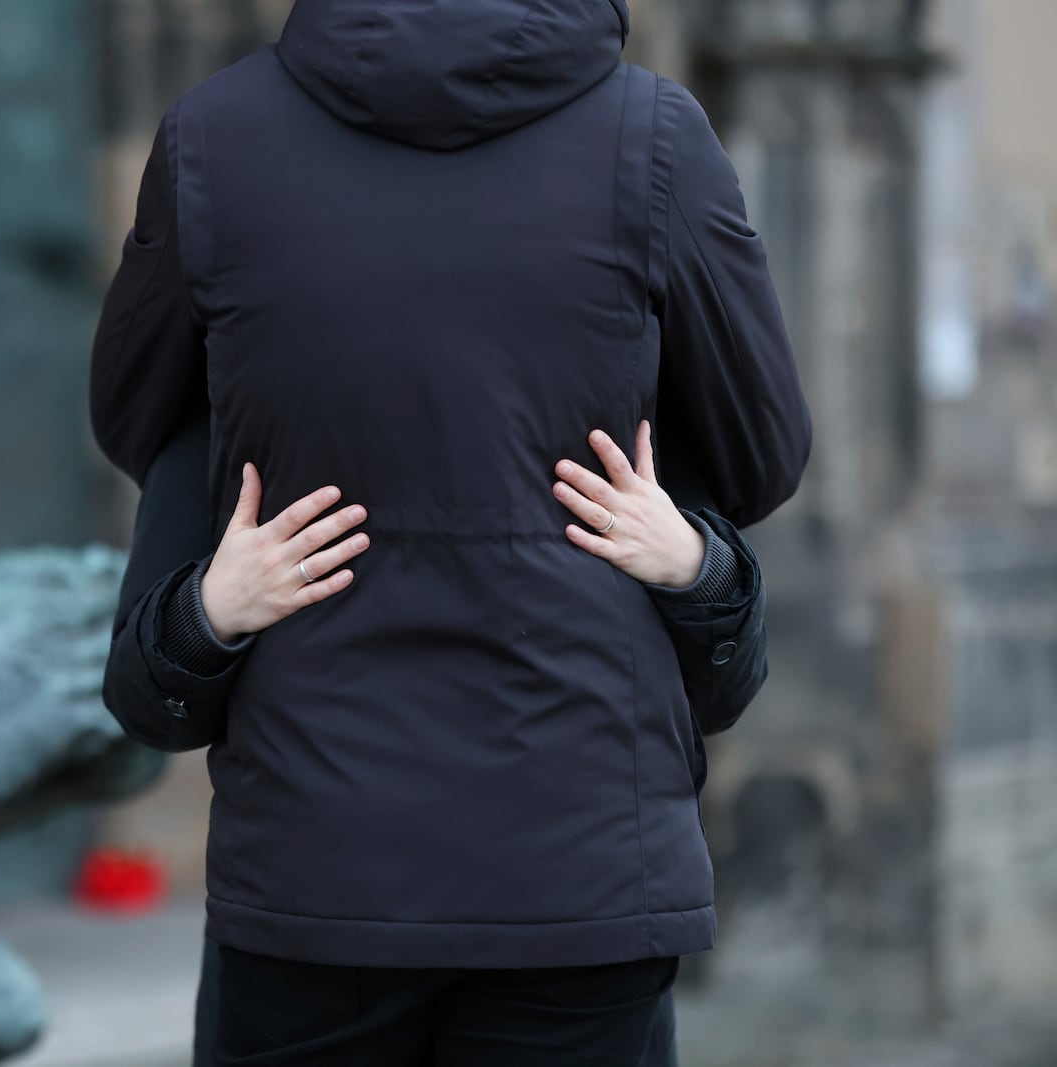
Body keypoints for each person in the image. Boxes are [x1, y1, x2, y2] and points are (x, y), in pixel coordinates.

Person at [92, 0, 812, 1061]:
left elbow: (135, 408)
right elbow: (761, 446)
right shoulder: (655, 138)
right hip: (581, 856)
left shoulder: (214, 138)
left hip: (315, 852)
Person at [105, 415, 771, 1066]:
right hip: (322, 926)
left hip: (565, 927)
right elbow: (146, 699)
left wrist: (693, 565)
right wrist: (211, 609)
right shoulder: (248, 376)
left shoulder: (615, 370)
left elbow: (726, 680)